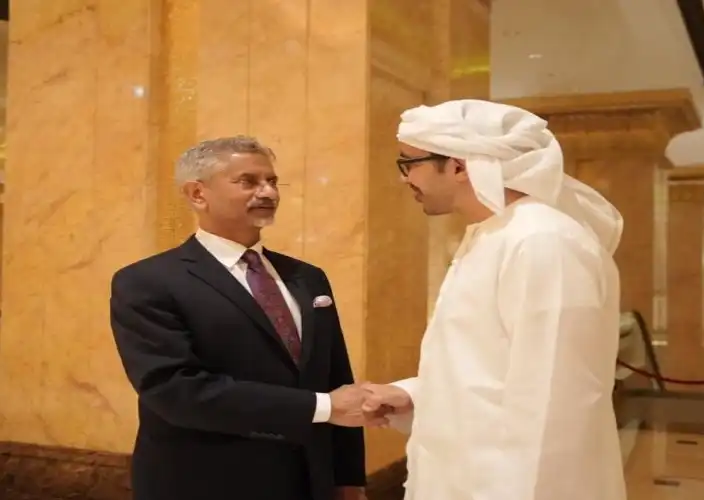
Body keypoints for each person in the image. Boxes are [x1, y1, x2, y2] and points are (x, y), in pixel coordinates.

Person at [361, 100, 627, 500]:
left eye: (410, 163)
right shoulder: (493, 235)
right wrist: (412, 395)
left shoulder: (543, 241)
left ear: (458, 166)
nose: (405, 178)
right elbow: (489, 367)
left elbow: (555, 407)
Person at [110, 136, 376, 500]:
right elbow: (175, 391)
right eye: (248, 182)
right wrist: (322, 407)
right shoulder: (147, 281)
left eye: (271, 181)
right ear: (197, 194)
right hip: (205, 482)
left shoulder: (307, 277)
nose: (268, 192)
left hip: (307, 481)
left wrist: (348, 480)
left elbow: (335, 377)